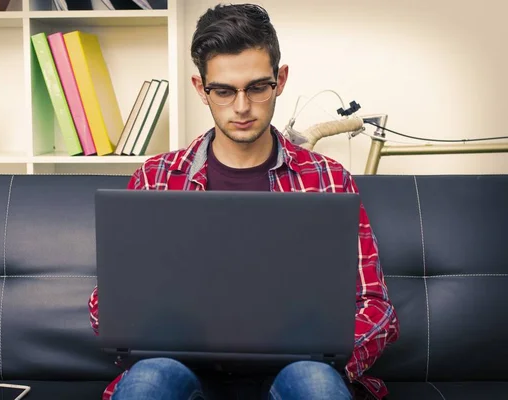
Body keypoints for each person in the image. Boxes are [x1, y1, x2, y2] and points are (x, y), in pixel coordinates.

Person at [88, 3, 399, 399]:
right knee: (150, 381)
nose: (241, 107)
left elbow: (376, 305)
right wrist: (139, 327)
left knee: (316, 383)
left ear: (280, 80)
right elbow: (108, 303)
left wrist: (330, 355)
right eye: (223, 91)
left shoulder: (328, 178)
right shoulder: (156, 178)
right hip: (180, 370)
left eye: (257, 87)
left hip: (296, 371)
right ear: (201, 89)